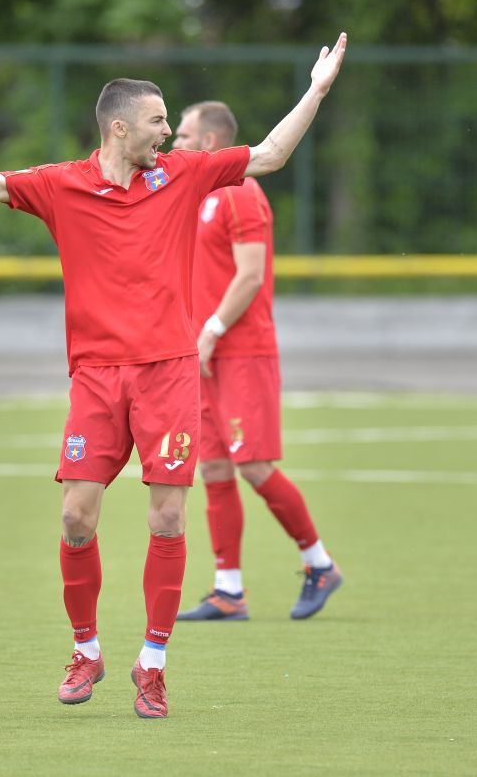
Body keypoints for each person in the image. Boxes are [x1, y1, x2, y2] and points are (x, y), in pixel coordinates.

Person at [0, 32, 347, 720]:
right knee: (75, 513)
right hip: (96, 377)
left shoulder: (183, 175)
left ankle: (152, 665)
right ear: (120, 127)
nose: (170, 130)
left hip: (167, 374)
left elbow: (272, 154)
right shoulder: (61, 184)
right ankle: (87, 648)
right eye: (159, 120)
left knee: (166, 513)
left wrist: (318, 89)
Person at [171, 101, 342, 624]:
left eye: (182, 134)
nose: (174, 142)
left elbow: (249, 275)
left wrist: (213, 330)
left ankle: (319, 563)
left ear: (208, 142)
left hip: (241, 350)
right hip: (204, 351)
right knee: (215, 466)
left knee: (254, 465)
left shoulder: (242, 191)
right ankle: (228, 591)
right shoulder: (197, 193)